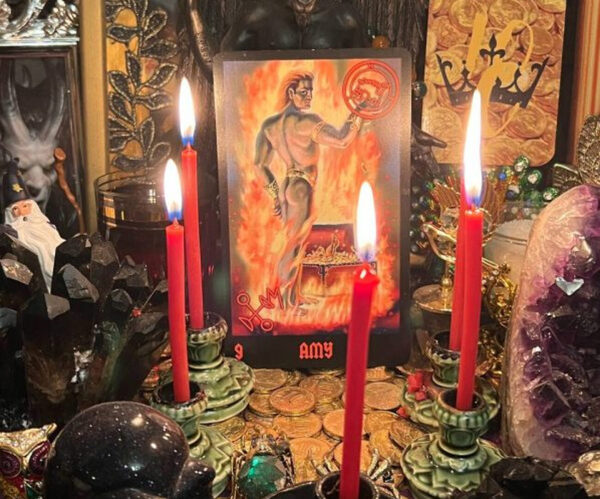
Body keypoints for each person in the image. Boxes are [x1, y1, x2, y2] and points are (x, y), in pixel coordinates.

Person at [254, 71, 363, 310]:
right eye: (304, 92)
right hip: (302, 187)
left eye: (311, 91)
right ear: (291, 93)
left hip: (287, 185)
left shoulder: (270, 125)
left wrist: (275, 195)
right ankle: (286, 303)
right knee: (294, 245)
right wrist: (358, 110)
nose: (309, 97)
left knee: (297, 242)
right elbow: (342, 140)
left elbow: (259, 165)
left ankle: (294, 296)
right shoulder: (307, 121)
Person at [2, 159, 64, 291]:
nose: (21, 212)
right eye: (15, 209)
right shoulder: (13, 231)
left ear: (33, 207)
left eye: (25, 206)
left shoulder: (45, 225)